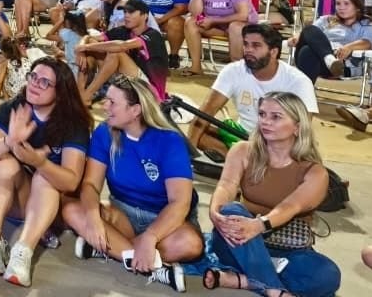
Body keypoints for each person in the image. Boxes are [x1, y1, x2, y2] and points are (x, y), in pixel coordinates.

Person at [62, 75, 198, 292]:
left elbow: (179, 203)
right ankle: (154, 266)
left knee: (191, 243)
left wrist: (151, 236)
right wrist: (94, 219)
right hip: (122, 211)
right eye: (106, 100)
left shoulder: (169, 140)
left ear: (135, 111)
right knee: (72, 210)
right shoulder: (104, 132)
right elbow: (90, 185)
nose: (105, 106)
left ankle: (110, 249)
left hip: (163, 217)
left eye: (113, 102)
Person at [205, 92, 341, 297]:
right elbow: (226, 185)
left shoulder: (314, 172)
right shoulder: (242, 151)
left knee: (327, 275)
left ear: (297, 126)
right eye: (262, 114)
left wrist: (259, 225)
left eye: (276, 117)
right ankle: (273, 288)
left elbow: (290, 206)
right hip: (240, 241)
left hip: (288, 249)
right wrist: (215, 211)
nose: (265, 122)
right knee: (232, 209)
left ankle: (245, 280)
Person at [0, 57, 93, 287]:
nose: (34, 84)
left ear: (60, 93)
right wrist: (9, 141)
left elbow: (71, 182)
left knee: (45, 176)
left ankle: (23, 251)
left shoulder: (73, 123)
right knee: (3, 163)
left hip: (54, 207)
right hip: (18, 199)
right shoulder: (14, 108)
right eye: (33, 77)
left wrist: (39, 162)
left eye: (44, 83)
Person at [187, 24, 317, 157]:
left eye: (256, 46)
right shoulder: (233, 71)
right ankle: (245, 162)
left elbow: (303, 129)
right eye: (246, 44)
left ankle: (247, 162)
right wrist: (189, 154)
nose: (248, 50)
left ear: (273, 52)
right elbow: (206, 112)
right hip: (240, 136)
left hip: (277, 143)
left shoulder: (298, 81)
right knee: (198, 132)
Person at [74, 0, 170, 105]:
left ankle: (87, 95)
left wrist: (84, 47)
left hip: (151, 94)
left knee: (115, 53)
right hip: (129, 83)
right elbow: (91, 38)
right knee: (92, 46)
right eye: (125, 12)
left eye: (131, 12)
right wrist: (82, 48)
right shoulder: (123, 30)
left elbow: (122, 46)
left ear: (145, 16)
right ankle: (81, 93)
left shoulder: (153, 35)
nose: (126, 15)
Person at [183, 0, 256, 70]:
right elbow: (195, 13)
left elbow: (243, 15)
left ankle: (236, 70)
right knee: (190, 22)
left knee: (235, 26)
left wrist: (212, 20)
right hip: (217, 27)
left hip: (243, 27)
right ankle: (195, 67)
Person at [288, 0, 372, 83]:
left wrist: (349, 47)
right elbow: (310, 32)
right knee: (309, 29)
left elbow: (368, 42)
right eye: (338, 4)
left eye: (346, 3)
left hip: (341, 65)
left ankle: (305, 91)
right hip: (324, 60)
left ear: (357, 6)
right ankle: (329, 59)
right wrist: (296, 38)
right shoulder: (326, 20)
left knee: (307, 51)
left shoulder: (366, 24)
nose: (341, 7)